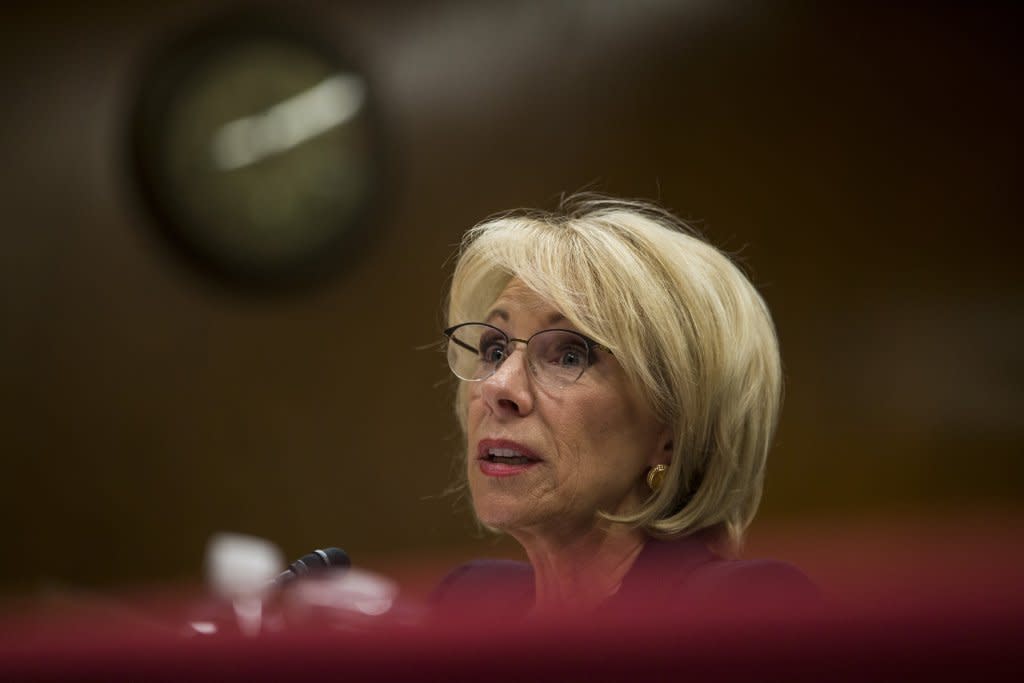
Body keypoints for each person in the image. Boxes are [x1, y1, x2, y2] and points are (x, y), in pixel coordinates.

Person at [433, 194, 816, 616]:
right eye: (494, 349)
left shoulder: (742, 610)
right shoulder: (468, 605)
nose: (498, 387)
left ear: (670, 430)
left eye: (570, 355)